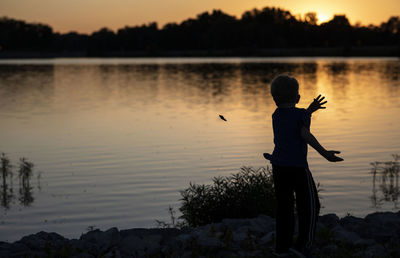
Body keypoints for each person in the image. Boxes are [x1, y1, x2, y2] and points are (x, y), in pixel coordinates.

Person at [263, 74, 343, 258]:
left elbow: (294, 121)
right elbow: (304, 133)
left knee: (285, 207)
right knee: (310, 205)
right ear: (298, 98)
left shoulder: (276, 115)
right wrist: (325, 153)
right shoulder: (300, 115)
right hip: (298, 169)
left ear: (274, 99)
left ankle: (281, 248)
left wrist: (310, 110)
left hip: (279, 168)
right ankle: (302, 246)